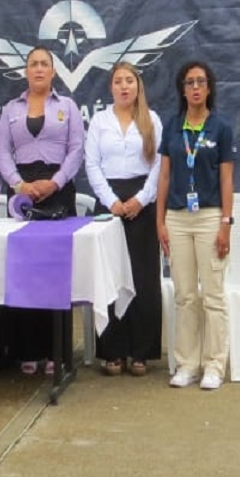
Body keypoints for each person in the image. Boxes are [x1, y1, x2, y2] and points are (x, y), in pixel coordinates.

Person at [0, 46, 85, 375]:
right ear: (25, 71)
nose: (38, 69)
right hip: (23, 193)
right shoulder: (10, 109)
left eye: (44, 64)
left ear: (54, 72)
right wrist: (19, 184)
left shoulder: (68, 107)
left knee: (53, 272)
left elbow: (76, 149)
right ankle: (27, 351)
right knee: (25, 271)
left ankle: (55, 352)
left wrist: (56, 182)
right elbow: (1, 151)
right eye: (33, 64)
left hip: (57, 192)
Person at [156, 61, 235, 391]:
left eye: (201, 81)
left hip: (209, 217)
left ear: (210, 87)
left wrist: (225, 223)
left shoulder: (220, 128)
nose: (195, 87)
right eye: (189, 82)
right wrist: (159, 220)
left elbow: (227, 177)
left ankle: (214, 364)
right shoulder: (173, 127)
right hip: (177, 218)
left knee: (212, 296)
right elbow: (164, 175)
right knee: (186, 296)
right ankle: (187, 363)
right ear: (182, 89)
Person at [84, 62, 164, 377]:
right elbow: (92, 165)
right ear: (111, 88)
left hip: (142, 203)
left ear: (137, 86)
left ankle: (142, 352)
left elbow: (160, 165)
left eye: (129, 81)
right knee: (109, 278)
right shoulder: (100, 122)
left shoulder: (151, 120)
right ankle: (112, 352)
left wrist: (141, 200)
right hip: (109, 205)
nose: (124, 86)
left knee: (143, 278)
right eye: (118, 81)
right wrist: (113, 202)